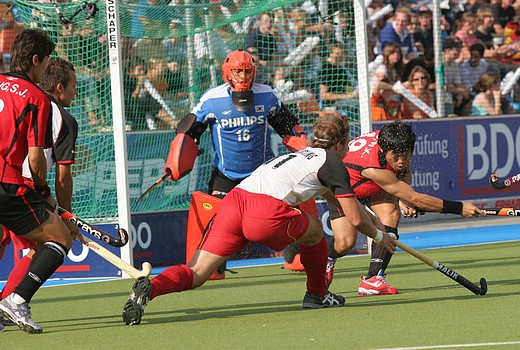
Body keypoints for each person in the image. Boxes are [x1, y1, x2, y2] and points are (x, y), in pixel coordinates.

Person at [121, 113, 397, 326]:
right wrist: (379, 237)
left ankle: (150, 288)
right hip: (265, 212)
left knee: (197, 272)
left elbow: (348, 207)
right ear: (340, 143)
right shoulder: (333, 163)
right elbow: (354, 219)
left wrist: (377, 227)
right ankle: (316, 294)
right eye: (347, 144)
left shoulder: (303, 156)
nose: (348, 149)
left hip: (233, 204)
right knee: (314, 231)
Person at [159, 50, 309, 279]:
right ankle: (210, 267)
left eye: (247, 71)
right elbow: (189, 129)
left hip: (263, 173)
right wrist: (177, 158)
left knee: (288, 208)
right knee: (216, 219)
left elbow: (286, 123)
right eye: (237, 71)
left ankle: (295, 257)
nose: (242, 76)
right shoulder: (212, 99)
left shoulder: (266, 95)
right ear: (227, 73)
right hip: (226, 174)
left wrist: (301, 147)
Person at [325, 121, 486, 295]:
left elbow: (404, 173)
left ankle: (373, 280)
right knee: (345, 244)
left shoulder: (397, 141)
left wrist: (403, 197)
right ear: (383, 151)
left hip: (371, 187)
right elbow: (415, 198)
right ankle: (326, 258)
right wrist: (459, 208)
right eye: (396, 157)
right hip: (344, 188)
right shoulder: (374, 167)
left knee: (391, 214)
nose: (401, 161)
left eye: (406, 155)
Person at [0, 29, 76, 334]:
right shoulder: (35, 98)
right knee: (59, 238)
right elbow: (35, 159)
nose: (45, 71)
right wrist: (45, 194)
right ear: (35, 60)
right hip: (7, 184)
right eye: (45, 63)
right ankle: (16, 300)